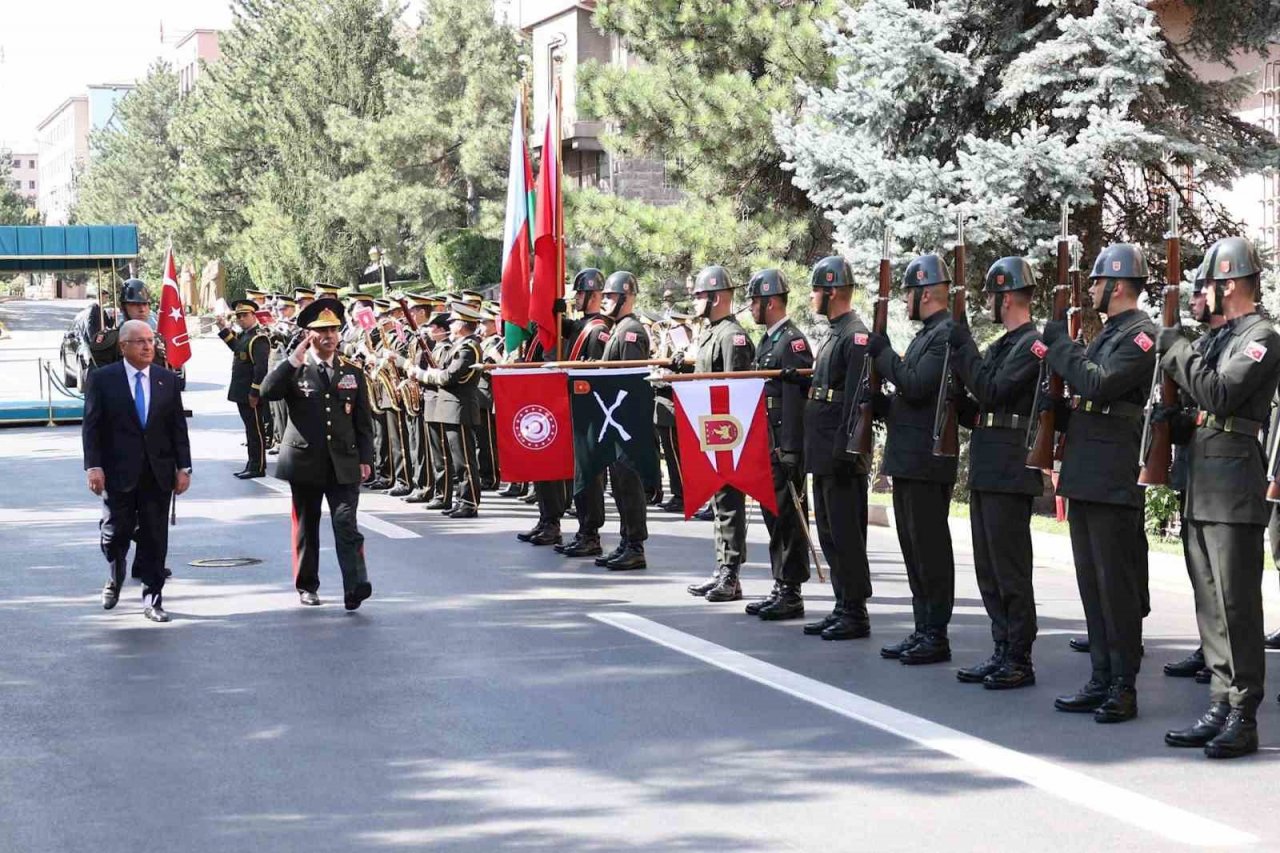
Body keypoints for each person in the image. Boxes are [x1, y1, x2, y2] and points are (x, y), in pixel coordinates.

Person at [1158, 236, 1279, 759]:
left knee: (1236, 605)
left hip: (1233, 487)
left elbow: (1221, 394)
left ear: (1228, 285)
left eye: (1208, 282)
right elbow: (1204, 407)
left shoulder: (1262, 337)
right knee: (1210, 605)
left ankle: (1243, 714)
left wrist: (1175, 347)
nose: (1202, 292)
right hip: (1203, 483)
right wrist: (1177, 422)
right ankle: (1218, 703)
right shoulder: (1221, 337)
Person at [1042, 243, 1156, 724]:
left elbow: (1099, 384)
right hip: (1087, 470)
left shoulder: (1142, 336)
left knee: (1116, 587)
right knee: (1091, 584)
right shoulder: (1109, 333)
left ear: (1119, 285)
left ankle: (1123, 686)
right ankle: (1100, 676)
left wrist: (1060, 345)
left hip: (1112, 473)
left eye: (1097, 281)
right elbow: (1087, 397)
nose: (1090, 289)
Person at [948, 257, 1044, 688]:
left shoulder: (1032, 346)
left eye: (991, 295)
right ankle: (1001, 647)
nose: (987, 302)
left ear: (1006, 298)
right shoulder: (1005, 344)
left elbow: (993, 389)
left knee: (1009, 568)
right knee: (988, 568)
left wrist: (964, 344)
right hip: (989, 466)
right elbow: (981, 404)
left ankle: (1019, 657)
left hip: (1009, 470)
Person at [867, 253, 957, 665]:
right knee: (913, 549)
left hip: (926, 461)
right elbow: (911, 400)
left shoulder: (944, 335)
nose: (905, 301)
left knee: (929, 550)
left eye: (908, 294)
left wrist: (885, 355)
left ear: (926, 294)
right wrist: (883, 406)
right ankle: (923, 628)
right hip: (909, 458)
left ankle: (935, 633)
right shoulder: (927, 336)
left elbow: (917, 385)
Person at [260, 298, 375, 611]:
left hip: (343, 462)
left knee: (346, 524)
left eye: (334, 330)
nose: (329, 336)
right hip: (305, 461)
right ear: (309, 334)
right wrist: (291, 362)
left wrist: (366, 458)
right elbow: (267, 392)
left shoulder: (352, 371)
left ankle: (355, 585)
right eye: (322, 331)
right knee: (307, 527)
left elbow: (363, 420)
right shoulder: (295, 368)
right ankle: (307, 585)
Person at [82, 319, 192, 623]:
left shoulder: (166, 380)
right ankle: (115, 574)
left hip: (157, 472)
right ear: (123, 346)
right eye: (140, 341)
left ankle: (153, 598)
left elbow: (178, 429)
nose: (148, 347)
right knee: (115, 533)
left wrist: (184, 467)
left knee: (155, 537)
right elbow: (91, 427)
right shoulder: (103, 379)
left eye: (151, 340)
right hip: (118, 472)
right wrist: (93, 466)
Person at [798, 255, 874, 641]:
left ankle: (855, 611)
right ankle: (842, 604)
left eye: (815, 290)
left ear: (832, 292)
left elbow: (857, 400)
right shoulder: (834, 332)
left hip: (840, 453)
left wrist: (847, 451)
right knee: (829, 532)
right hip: (825, 450)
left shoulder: (855, 335)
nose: (811, 297)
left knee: (846, 535)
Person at [680, 265, 756, 602]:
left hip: (726, 432)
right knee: (718, 500)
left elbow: (733, 390)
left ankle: (731, 573)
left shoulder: (732, 336)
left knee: (729, 502)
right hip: (710, 428)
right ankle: (722, 568)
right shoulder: (713, 332)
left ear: (716, 297)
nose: (695, 301)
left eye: (699, 295)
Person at [1161, 259, 1221, 685]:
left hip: (1221, 474)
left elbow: (1216, 396)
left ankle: (1223, 657)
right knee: (1199, 572)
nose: (1194, 299)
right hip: (1192, 469)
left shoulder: (1236, 343)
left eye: (1201, 291)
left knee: (1222, 580)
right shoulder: (1202, 343)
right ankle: (1207, 647)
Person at [745, 268, 813, 621]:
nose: (751, 307)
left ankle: (791, 591)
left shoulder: (792, 342)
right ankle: (780, 583)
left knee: (788, 518)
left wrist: (790, 448)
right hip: (768, 441)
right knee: (774, 516)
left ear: (770, 302)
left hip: (783, 445)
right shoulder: (769, 340)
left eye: (754, 301)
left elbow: (795, 402)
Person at [550, 268, 613, 556]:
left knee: (590, 477)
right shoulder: (582, 325)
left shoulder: (599, 329)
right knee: (579, 476)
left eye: (580, 293)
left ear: (593, 295)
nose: (575, 298)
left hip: (591, 412)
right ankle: (583, 530)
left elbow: (596, 371)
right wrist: (552, 311)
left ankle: (591, 533)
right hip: (576, 409)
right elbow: (563, 328)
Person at [399, 303, 484, 518]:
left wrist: (421, 374)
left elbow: (449, 376)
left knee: (464, 461)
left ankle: (469, 502)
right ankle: (461, 500)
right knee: (457, 460)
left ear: (462, 324)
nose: (451, 324)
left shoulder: (468, 348)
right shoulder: (460, 346)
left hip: (459, 408)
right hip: (450, 408)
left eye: (454, 321)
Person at [595, 271, 651, 571]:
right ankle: (625, 540)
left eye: (610, 296)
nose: (604, 300)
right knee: (619, 484)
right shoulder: (618, 329)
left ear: (626, 297)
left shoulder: (632, 332)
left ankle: (635, 545)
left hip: (626, 420)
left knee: (629, 485)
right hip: (615, 419)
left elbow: (630, 378)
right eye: (603, 296)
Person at [216, 298, 271, 479]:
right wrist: (223, 328)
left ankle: (258, 466)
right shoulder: (246, 335)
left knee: (256, 431)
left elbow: (261, 369)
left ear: (253, 315)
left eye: (244, 315)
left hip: (251, 394)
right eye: (238, 316)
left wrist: (254, 392)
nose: (241, 319)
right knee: (250, 429)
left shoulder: (259, 338)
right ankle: (252, 463)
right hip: (242, 392)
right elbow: (237, 348)